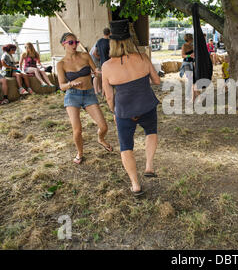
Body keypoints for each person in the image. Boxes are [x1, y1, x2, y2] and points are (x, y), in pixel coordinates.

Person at [101, 19, 161, 196]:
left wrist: (114, 112)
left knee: (126, 146)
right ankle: (149, 165)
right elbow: (157, 81)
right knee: (151, 132)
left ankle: (135, 185)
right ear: (129, 40)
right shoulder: (142, 57)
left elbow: (109, 96)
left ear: (111, 43)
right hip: (146, 104)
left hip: (124, 110)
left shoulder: (106, 66)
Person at [56, 32, 113, 165]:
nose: (74, 45)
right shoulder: (61, 64)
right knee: (77, 130)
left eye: (76, 42)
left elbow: (95, 71)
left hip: (88, 94)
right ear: (63, 45)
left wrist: (101, 73)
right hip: (72, 96)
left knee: (104, 126)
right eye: (71, 42)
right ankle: (80, 153)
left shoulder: (85, 55)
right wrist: (70, 84)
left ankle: (101, 139)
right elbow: (62, 86)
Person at [93, 28, 111, 96]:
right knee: (108, 79)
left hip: (102, 62)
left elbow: (94, 53)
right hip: (109, 63)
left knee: (103, 78)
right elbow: (111, 53)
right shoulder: (110, 42)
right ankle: (105, 93)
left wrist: (100, 58)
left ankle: (102, 93)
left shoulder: (99, 41)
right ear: (110, 33)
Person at [181, 33, 197, 101]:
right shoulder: (184, 45)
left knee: (193, 79)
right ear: (189, 39)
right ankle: (188, 95)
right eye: (191, 38)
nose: (192, 39)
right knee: (190, 80)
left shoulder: (192, 45)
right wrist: (189, 56)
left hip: (192, 63)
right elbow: (183, 55)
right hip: (186, 64)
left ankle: (192, 94)